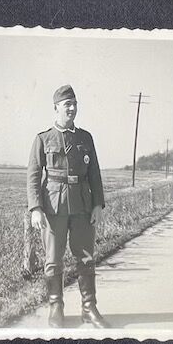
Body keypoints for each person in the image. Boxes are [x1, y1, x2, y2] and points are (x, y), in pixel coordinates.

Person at [28, 85, 108, 329]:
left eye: (74, 104)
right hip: (53, 207)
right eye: (67, 105)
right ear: (56, 108)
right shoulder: (43, 139)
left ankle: (89, 308)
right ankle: (56, 307)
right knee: (53, 259)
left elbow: (94, 173)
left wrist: (97, 205)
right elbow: (33, 175)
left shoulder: (86, 138)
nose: (72, 108)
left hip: (83, 205)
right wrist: (35, 209)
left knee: (86, 257)